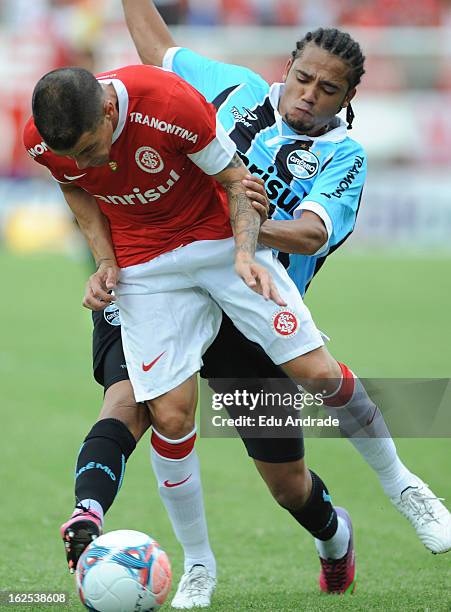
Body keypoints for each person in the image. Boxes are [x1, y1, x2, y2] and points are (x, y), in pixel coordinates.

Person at [23, 57, 362, 608]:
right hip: (135, 276)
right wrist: (104, 261)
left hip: (221, 275)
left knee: (287, 484)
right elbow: (76, 190)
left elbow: (161, 47)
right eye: (76, 158)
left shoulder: (175, 102)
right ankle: (93, 515)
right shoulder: (49, 137)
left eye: (92, 148)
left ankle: (333, 533)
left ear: (110, 111)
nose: (90, 163)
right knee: (134, 400)